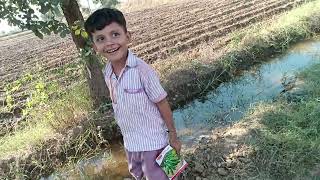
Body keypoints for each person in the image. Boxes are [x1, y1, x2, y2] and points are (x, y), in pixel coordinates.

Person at [84, 8, 182, 180]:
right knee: (138, 175)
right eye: (101, 39)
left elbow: (162, 102)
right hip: (130, 144)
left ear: (128, 37)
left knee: (164, 176)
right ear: (94, 47)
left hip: (154, 143)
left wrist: (172, 134)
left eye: (115, 34)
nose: (109, 43)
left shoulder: (142, 70)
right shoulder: (107, 72)